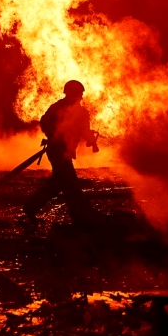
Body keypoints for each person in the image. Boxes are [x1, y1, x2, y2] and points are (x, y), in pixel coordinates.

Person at [23, 80, 104, 226]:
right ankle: (81, 214)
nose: (80, 97)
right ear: (72, 93)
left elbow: (84, 130)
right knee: (70, 182)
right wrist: (55, 135)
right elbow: (44, 122)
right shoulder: (58, 108)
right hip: (57, 151)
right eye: (79, 93)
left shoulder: (81, 112)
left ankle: (31, 207)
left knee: (59, 182)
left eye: (80, 94)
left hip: (64, 151)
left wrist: (91, 140)